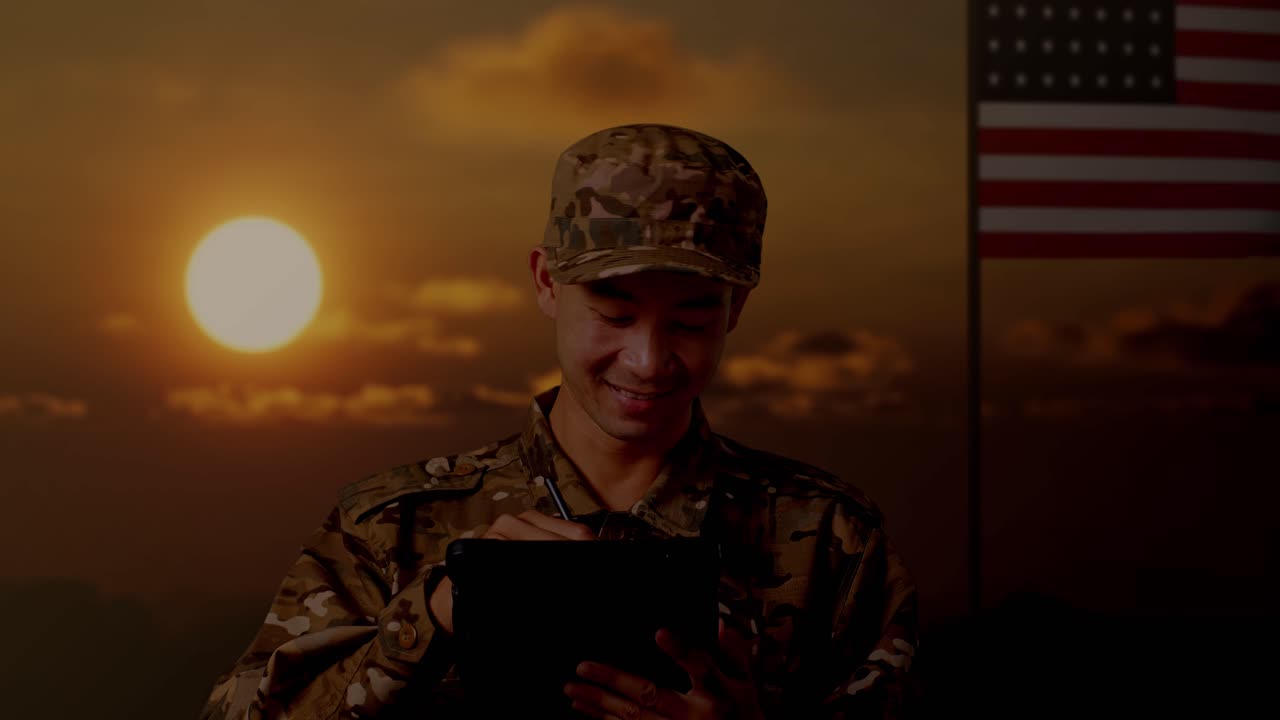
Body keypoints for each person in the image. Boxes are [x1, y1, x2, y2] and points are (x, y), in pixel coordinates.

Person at [199, 123, 918, 719]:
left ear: (736, 310)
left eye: (693, 320)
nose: (647, 359)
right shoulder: (394, 529)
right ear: (547, 282)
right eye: (614, 314)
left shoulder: (832, 545)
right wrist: (432, 616)